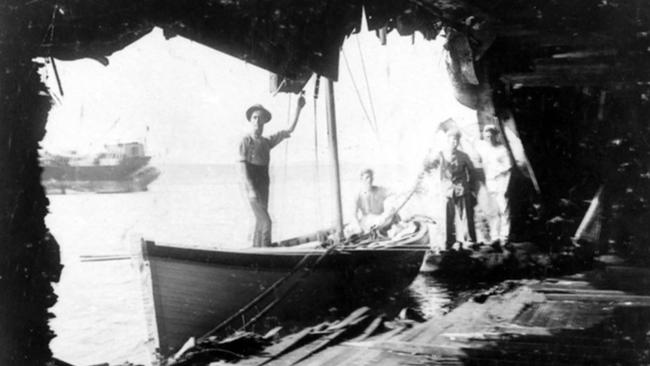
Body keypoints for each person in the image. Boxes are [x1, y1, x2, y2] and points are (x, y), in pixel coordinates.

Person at [239, 96, 305, 247]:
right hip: (252, 186)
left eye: (261, 118)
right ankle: (265, 250)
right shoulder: (246, 141)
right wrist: (250, 189)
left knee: (260, 221)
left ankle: (256, 251)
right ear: (250, 120)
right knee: (266, 221)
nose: (257, 121)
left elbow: (289, 129)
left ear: (264, 122)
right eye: (255, 117)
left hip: (264, 184)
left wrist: (299, 109)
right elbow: (242, 168)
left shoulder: (266, 142)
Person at [423, 128, 477, 249]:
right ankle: (448, 241)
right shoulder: (441, 154)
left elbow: (471, 171)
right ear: (447, 140)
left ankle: (469, 240)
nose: (454, 142)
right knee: (447, 215)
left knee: (466, 215)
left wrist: (469, 185)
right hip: (447, 188)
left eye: (456, 140)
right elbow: (430, 165)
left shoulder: (463, 156)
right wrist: (430, 155)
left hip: (461, 187)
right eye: (452, 140)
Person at [477, 124, 512, 246]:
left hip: (501, 182)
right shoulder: (483, 149)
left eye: (491, 135)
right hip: (490, 183)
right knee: (493, 211)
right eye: (487, 135)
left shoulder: (502, 149)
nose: (489, 137)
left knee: (504, 210)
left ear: (495, 135)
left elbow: (508, 167)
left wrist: (505, 185)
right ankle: (495, 236)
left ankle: (504, 237)